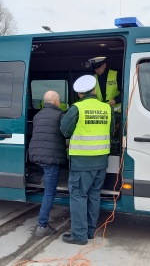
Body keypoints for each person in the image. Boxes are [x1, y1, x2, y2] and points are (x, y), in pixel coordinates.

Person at [60, 75, 115, 245]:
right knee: (94, 195)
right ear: (94, 90)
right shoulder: (107, 108)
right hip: (101, 161)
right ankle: (90, 232)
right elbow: (112, 130)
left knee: (78, 195)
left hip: (82, 162)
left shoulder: (77, 108)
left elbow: (65, 131)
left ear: (80, 93)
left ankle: (79, 235)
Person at [28, 90, 67, 237]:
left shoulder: (38, 115)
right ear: (56, 102)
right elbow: (65, 133)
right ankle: (42, 225)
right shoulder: (60, 115)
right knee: (49, 192)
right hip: (50, 158)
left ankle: (44, 180)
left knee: (46, 179)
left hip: (37, 155)